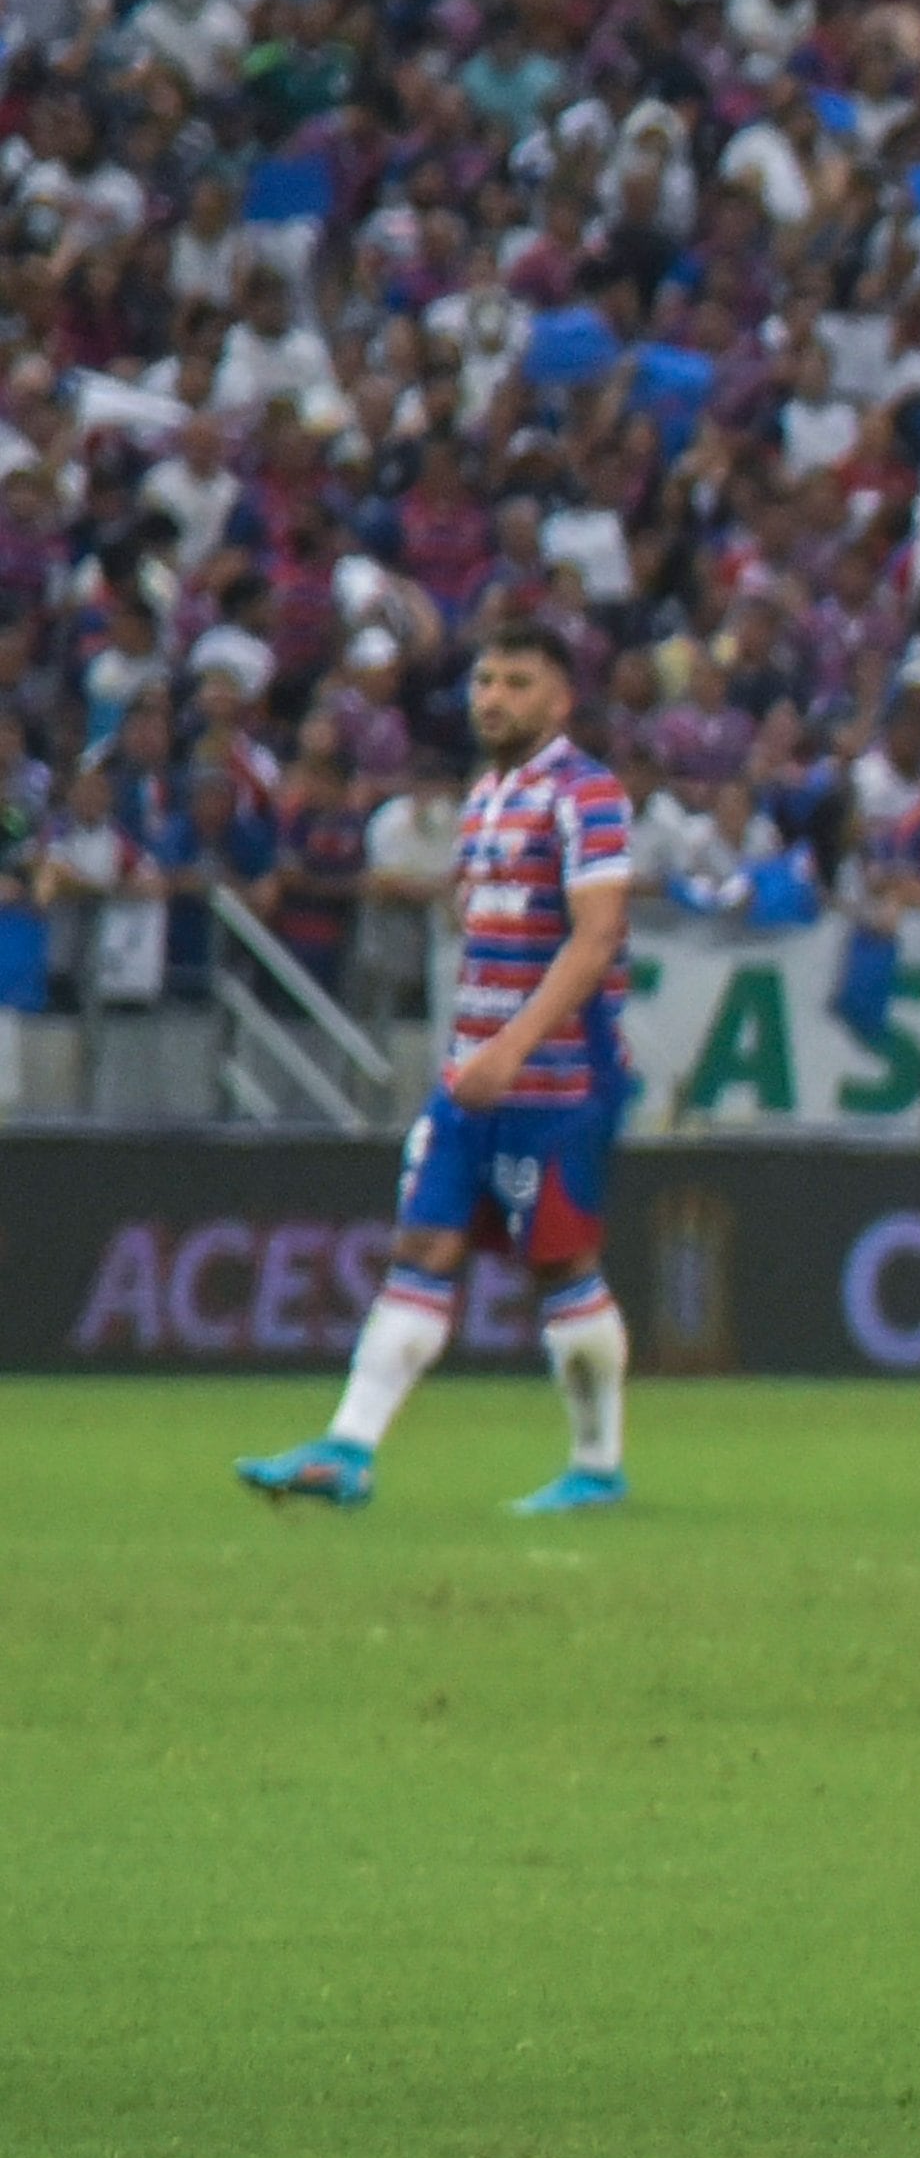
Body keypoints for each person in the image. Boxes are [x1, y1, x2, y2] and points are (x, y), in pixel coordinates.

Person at [234, 627, 636, 1516]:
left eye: (517, 683)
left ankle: (598, 1463)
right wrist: (474, 1053)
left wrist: (512, 1047)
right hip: (473, 1081)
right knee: (421, 1246)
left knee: (562, 1268)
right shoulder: (487, 793)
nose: (492, 697)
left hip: (555, 1083)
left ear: (559, 701)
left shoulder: (587, 792)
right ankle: (347, 1449)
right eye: (485, 680)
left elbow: (598, 936)